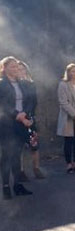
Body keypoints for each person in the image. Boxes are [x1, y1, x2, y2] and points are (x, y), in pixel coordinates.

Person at [0, 56, 34, 199]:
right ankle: (6, 186)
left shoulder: (22, 83)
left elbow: (30, 99)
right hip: (7, 124)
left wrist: (25, 114)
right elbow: (2, 105)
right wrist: (17, 115)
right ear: (4, 68)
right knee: (7, 156)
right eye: (12, 67)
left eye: (16, 66)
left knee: (17, 156)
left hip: (21, 122)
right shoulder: (1, 84)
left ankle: (17, 185)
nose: (15, 69)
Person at [17, 60, 45, 180]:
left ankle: (36, 168)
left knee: (34, 144)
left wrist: (28, 115)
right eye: (18, 69)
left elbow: (34, 101)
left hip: (30, 118)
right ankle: (21, 171)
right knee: (19, 146)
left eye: (23, 69)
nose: (21, 71)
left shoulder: (31, 84)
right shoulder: (13, 85)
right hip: (17, 119)